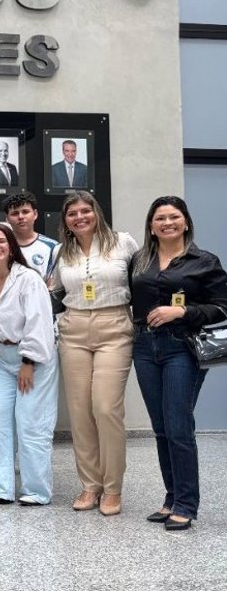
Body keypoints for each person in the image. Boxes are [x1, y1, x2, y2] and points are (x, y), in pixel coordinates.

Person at [129, 196, 227, 531]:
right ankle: (171, 497)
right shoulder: (140, 260)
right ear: (151, 226)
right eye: (159, 218)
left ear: (185, 222)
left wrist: (183, 311)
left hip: (181, 347)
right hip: (143, 346)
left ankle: (186, 503)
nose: (167, 223)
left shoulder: (205, 261)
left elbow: (223, 306)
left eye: (173, 217)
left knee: (178, 426)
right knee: (160, 428)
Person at [49, 191, 138, 516]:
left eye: (85, 210)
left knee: (105, 408)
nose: (80, 217)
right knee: (80, 411)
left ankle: (113, 488)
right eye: (72, 214)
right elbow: (56, 291)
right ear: (66, 221)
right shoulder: (61, 251)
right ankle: (91, 485)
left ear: (96, 212)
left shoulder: (123, 242)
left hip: (114, 325)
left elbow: (141, 281)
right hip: (74, 329)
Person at [0, 224, 58, 506]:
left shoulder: (28, 279)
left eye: (1, 241)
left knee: (30, 424)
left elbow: (39, 323)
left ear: (11, 245)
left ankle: (36, 490)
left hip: (32, 361)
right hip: (1, 359)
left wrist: (28, 361)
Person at [3, 192, 57, 277]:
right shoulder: (0, 246)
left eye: (25, 212)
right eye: (15, 213)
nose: (20, 217)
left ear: (35, 214)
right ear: (7, 219)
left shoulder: (52, 247)